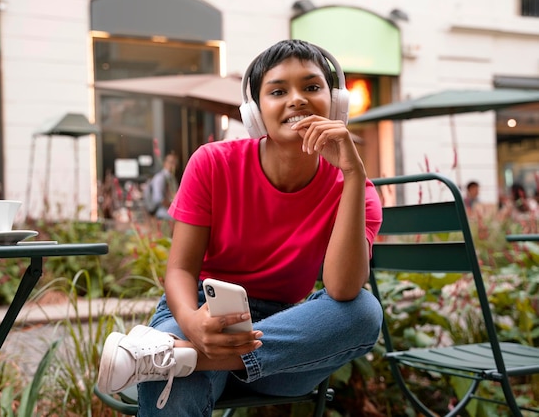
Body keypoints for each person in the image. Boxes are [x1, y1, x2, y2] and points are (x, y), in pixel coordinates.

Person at [97, 39, 383, 415]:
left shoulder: (353, 188)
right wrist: (191, 324)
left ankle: (173, 356)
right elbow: (181, 269)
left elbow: (342, 289)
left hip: (281, 343)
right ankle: (183, 354)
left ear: (336, 103)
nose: (296, 99)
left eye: (311, 87)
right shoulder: (213, 163)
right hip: (204, 313)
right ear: (255, 112)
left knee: (363, 312)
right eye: (278, 91)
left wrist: (351, 174)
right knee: (175, 389)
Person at [148, 153, 179, 220]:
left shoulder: (172, 178)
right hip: (163, 214)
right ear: (165, 163)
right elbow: (158, 198)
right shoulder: (160, 178)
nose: (173, 165)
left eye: (175, 163)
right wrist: (172, 207)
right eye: (171, 162)